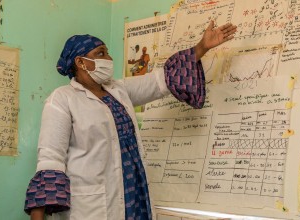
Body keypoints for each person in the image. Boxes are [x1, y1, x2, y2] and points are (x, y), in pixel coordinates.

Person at [24, 21, 237, 220]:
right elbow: (50, 160)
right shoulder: (62, 99)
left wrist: (202, 47)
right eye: (100, 54)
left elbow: (160, 80)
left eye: (107, 53)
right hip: (92, 206)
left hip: (134, 196)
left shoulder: (118, 90)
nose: (108, 59)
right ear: (80, 62)